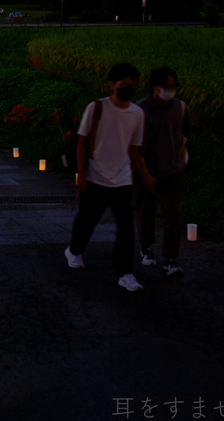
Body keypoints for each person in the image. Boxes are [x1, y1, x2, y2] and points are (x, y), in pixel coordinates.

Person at [64, 63, 147, 293]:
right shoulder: (97, 107)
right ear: (112, 84)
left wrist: (132, 175)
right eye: (123, 83)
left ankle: (125, 273)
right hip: (95, 176)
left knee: (125, 228)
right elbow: (81, 140)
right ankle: (74, 249)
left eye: (131, 84)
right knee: (87, 221)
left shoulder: (137, 114)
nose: (128, 87)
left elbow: (134, 147)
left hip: (122, 180)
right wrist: (81, 173)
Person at [135, 67, 190, 277]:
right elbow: (135, 147)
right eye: (165, 86)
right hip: (146, 169)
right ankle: (146, 247)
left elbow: (184, 135)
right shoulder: (140, 110)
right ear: (154, 86)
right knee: (145, 211)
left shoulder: (181, 108)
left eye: (172, 86)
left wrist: (182, 161)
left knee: (173, 214)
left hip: (173, 171)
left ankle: (170, 258)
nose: (169, 90)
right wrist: (145, 174)